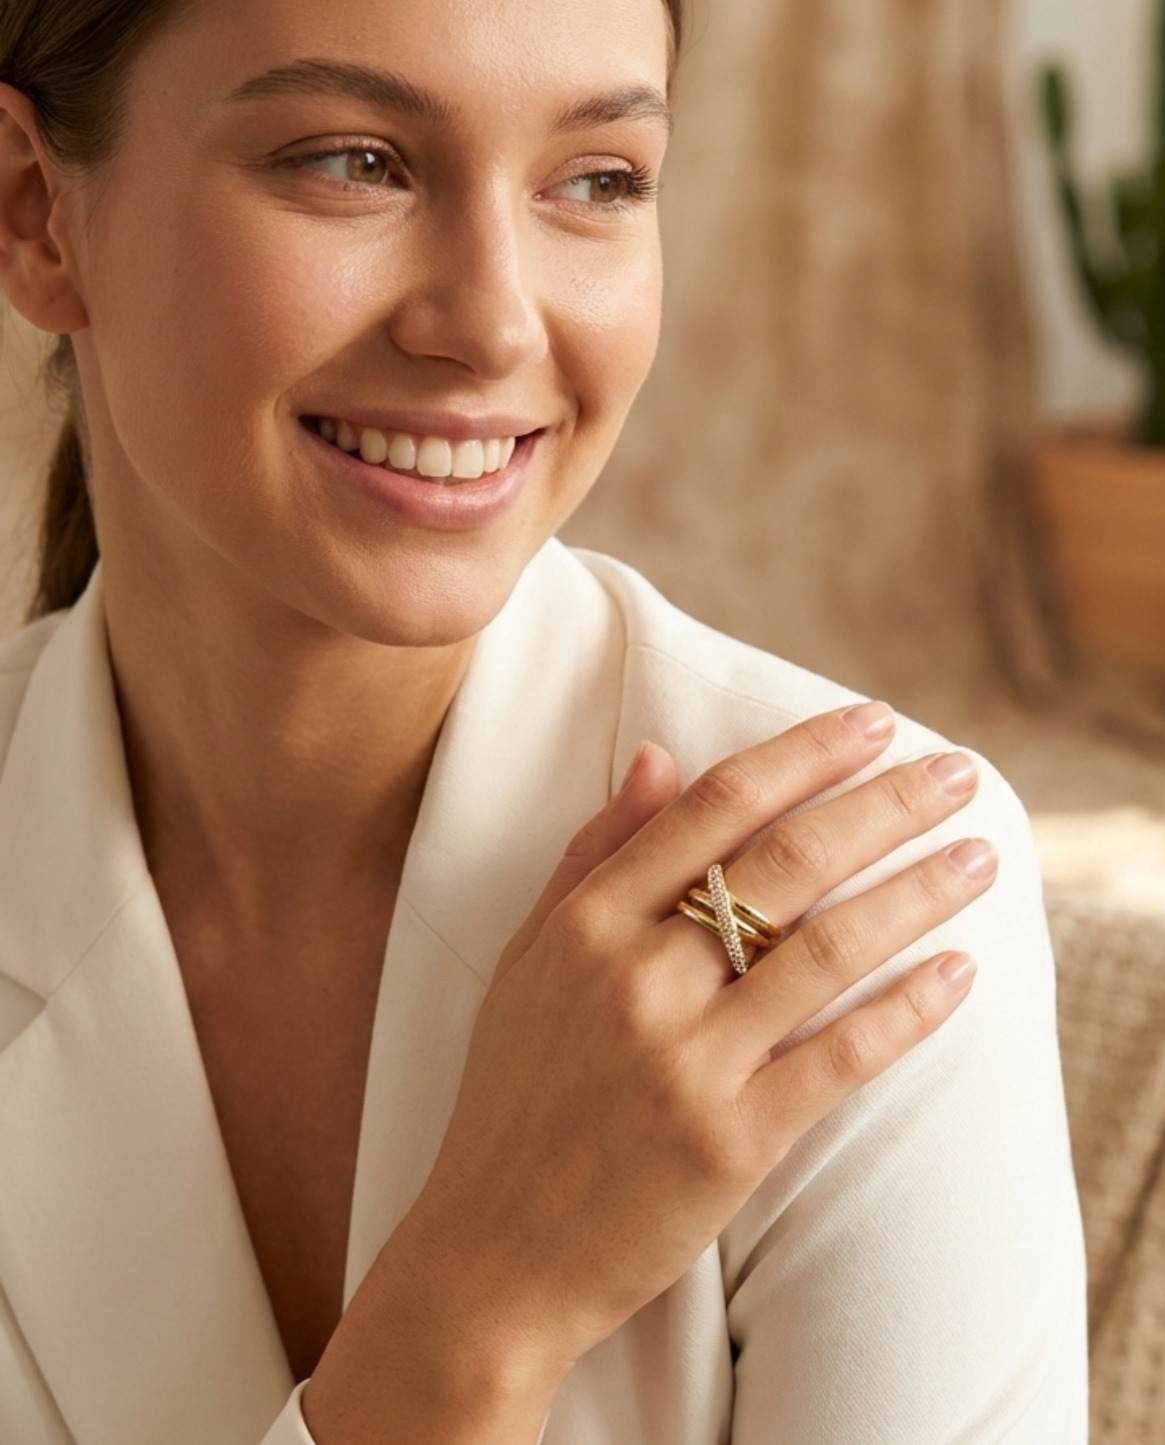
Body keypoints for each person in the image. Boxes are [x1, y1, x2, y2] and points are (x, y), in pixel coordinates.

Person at [0, 0, 1088, 1440]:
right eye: (352, 162)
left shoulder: (859, 909)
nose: (496, 322)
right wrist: (476, 1317)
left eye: (598, 181)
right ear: (38, 214)